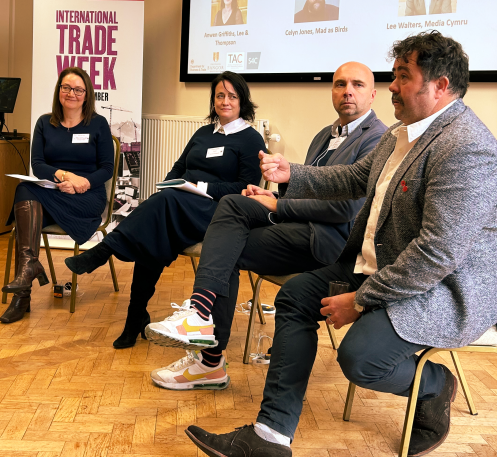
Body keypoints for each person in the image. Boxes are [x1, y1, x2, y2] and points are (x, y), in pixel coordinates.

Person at [184, 31, 497, 457]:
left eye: (402, 76)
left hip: (449, 288)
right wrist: (292, 173)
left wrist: (360, 300)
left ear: (441, 85)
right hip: (387, 266)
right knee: (296, 295)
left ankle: (436, 385)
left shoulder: (466, 147)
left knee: (361, 359)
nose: (391, 86)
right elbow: (357, 178)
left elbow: (437, 255)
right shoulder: (402, 132)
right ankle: (271, 437)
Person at [144, 62, 387, 390]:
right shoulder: (324, 136)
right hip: (300, 226)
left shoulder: (377, 139)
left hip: (331, 241)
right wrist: (271, 193)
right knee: (232, 206)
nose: (347, 91)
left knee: (224, 246)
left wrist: (277, 204)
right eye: (340, 84)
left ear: (372, 94)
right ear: (331, 90)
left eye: (357, 85)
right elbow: (304, 186)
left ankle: (209, 358)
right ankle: (201, 321)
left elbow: (347, 206)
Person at [64, 71, 267, 349]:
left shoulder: (251, 139)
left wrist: (201, 187)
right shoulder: (203, 133)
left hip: (219, 213)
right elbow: (177, 168)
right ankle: (135, 318)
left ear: (243, 101)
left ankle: (106, 250)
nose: (225, 101)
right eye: (220, 95)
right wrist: (173, 184)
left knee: (162, 210)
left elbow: (245, 189)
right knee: (156, 229)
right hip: (181, 207)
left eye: (232, 96)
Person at [0, 67, 115, 324]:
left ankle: (23, 292)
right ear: (58, 91)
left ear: (87, 95)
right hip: (53, 191)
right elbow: (38, 165)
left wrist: (80, 182)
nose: (71, 93)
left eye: (78, 89)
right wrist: (64, 177)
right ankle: (26, 280)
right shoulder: (45, 123)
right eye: (66, 87)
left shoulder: (97, 124)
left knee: (26, 197)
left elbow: (107, 168)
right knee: (25, 188)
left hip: (86, 197)